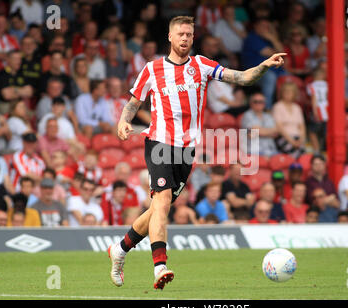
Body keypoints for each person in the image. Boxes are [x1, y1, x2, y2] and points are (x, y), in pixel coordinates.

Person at [108, 15, 286, 290]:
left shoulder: (202, 65)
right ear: (169, 37)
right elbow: (134, 102)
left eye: (189, 35)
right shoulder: (152, 69)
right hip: (159, 143)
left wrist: (262, 66)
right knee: (163, 201)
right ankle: (160, 266)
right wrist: (123, 120)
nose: (184, 38)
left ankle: (120, 250)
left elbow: (241, 78)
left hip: (186, 151)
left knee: (157, 208)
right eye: (180, 34)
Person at [272, 82, 306, 157]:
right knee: (294, 154)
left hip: (297, 137)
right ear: (282, 93)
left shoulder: (297, 107)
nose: (288, 94)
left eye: (290, 92)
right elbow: (279, 127)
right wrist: (292, 141)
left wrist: (301, 140)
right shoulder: (278, 106)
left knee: (303, 156)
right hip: (284, 137)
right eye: (286, 91)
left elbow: (302, 126)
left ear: (294, 94)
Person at [241, 92, 279, 157]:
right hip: (254, 151)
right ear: (250, 103)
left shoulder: (268, 116)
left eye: (261, 102)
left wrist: (260, 131)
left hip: (271, 150)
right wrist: (270, 131)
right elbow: (252, 133)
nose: (258, 104)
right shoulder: (247, 115)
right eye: (255, 101)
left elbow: (276, 132)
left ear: (264, 104)